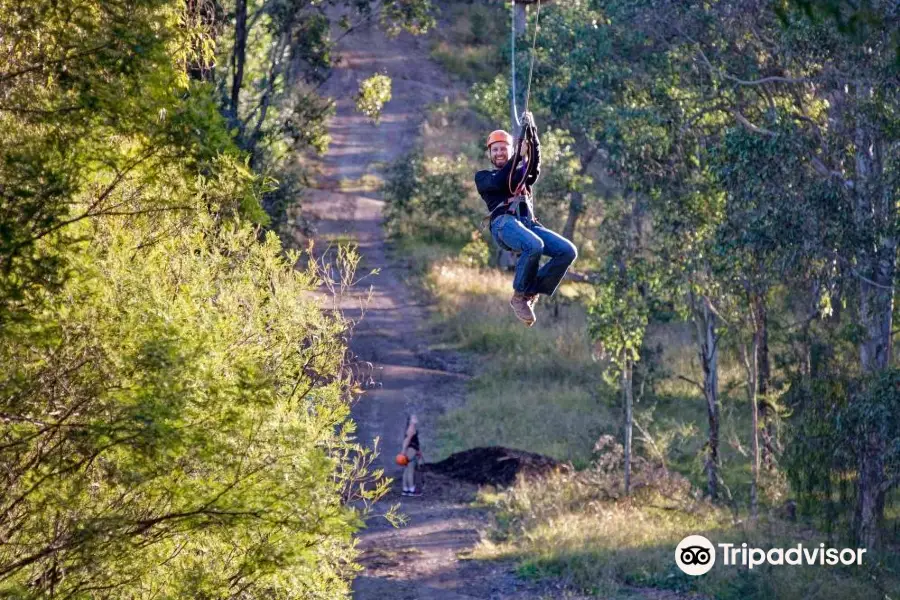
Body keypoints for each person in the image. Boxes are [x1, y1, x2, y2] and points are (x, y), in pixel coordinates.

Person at [474, 111, 577, 326]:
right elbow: (500, 181)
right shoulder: (484, 177)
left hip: (527, 224)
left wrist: (532, 134)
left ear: (510, 150)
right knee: (534, 245)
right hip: (503, 224)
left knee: (567, 252)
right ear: (490, 155)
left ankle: (531, 291)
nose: (500, 152)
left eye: (504, 149)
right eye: (496, 150)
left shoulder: (521, 173)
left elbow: (534, 166)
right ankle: (519, 295)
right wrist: (518, 157)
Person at [401, 414, 423, 497]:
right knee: (410, 468)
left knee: (406, 470)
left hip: (409, 450)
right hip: (411, 450)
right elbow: (407, 440)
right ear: (410, 420)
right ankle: (411, 489)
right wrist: (403, 451)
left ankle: (405, 489)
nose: (416, 418)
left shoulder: (410, 428)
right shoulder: (411, 428)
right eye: (414, 418)